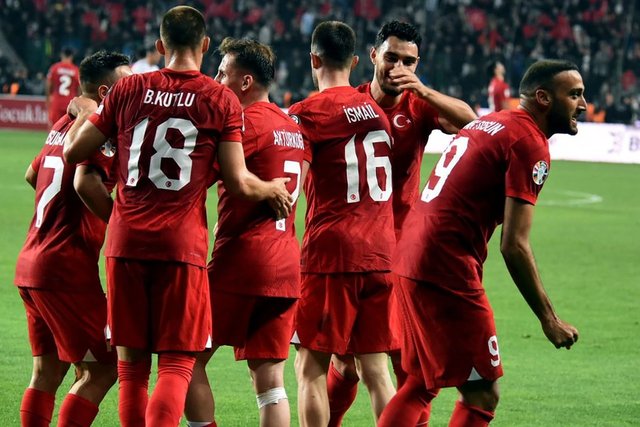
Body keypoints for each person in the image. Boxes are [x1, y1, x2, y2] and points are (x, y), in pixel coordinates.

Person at [63, 6, 292, 427]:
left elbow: (73, 152)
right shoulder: (219, 98)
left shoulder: (129, 89)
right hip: (180, 246)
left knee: (132, 370)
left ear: (159, 45)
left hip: (126, 241)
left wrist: (86, 112)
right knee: (176, 364)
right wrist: (271, 189)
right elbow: (239, 181)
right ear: (205, 45)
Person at [378, 59, 584, 426]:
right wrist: (548, 319)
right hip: (445, 266)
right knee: (482, 393)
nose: (582, 104)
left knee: (421, 381)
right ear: (543, 98)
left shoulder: (492, 122)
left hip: (410, 254)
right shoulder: (529, 142)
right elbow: (514, 245)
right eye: (574, 95)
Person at [326, 20, 478, 427]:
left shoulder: (418, 105)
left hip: (401, 254)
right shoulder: (350, 102)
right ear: (373, 55)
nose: (398, 68)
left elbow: (472, 124)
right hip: (352, 251)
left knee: (406, 361)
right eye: (391, 57)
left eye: (409, 61)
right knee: (346, 361)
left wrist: (422, 89)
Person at [184, 37, 304, 427]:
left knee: (184, 358)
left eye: (223, 73)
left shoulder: (243, 124)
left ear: (245, 81)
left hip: (243, 262)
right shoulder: (292, 127)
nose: (216, 80)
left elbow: (195, 176)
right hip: (285, 266)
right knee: (270, 382)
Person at [14, 50, 131, 427]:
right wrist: (121, 222)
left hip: (32, 263)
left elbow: (33, 175)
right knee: (103, 368)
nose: (133, 88)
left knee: (47, 371)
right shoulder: (97, 132)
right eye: (126, 82)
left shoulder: (63, 125)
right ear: (106, 91)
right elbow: (86, 183)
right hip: (65, 269)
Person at [289, 21, 397, 427]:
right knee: (376, 372)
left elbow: (291, 186)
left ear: (313, 60)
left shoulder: (307, 113)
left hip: (332, 255)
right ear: (354, 62)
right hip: (381, 253)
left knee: (310, 367)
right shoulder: (376, 113)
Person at [45, 47, 80, 127]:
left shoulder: (55, 68)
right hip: (71, 103)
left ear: (61, 55)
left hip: (57, 102)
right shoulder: (76, 70)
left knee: (54, 128)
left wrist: (47, 99)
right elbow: (79, 89)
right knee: (70, 129)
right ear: (71, 56)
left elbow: (48, 85)